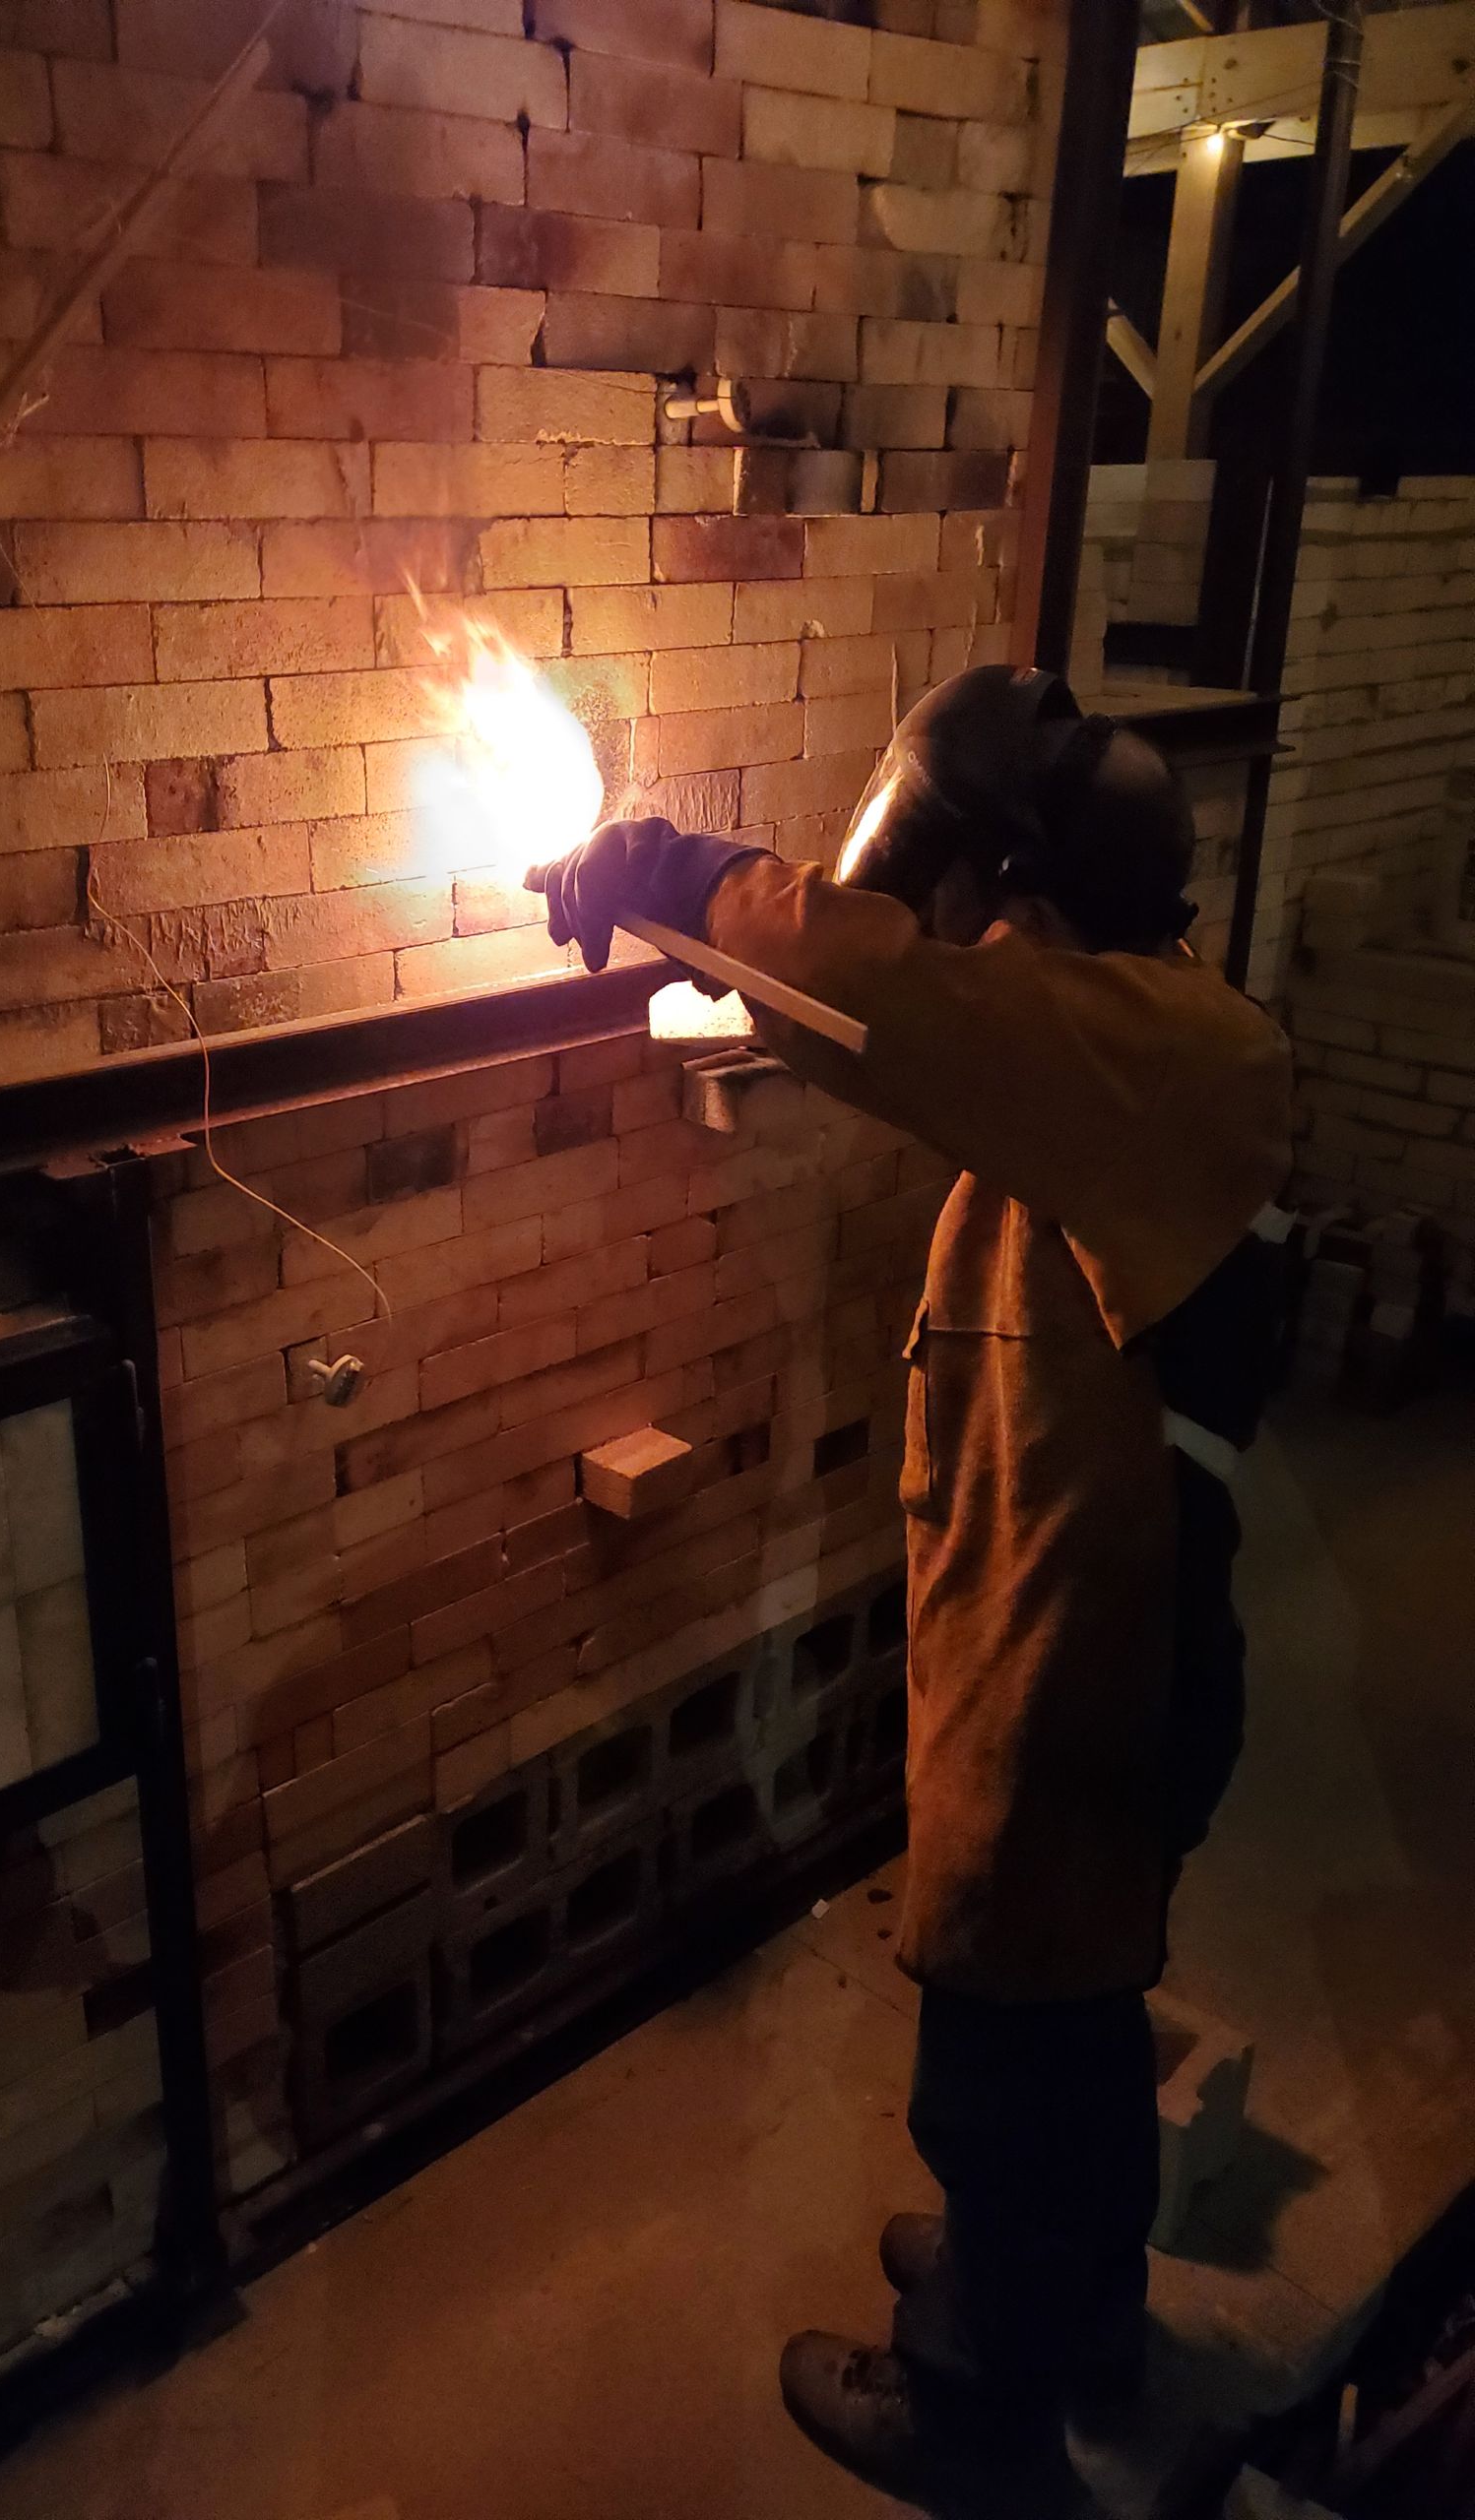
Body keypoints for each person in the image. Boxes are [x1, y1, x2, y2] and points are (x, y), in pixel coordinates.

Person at [528, 666, 1294, 2515]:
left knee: (1012, 2015)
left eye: (958, 907)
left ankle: (973, 2406)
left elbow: (885, 998)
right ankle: (1064, 2306)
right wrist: (716, 940)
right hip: (1095, 1605)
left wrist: (663, 862)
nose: (940, 936)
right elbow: (894, 1020)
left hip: (1094, 1642)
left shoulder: (1146, 1057)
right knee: (1079, 2005)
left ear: (1019, 902)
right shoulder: (1130, 1036)